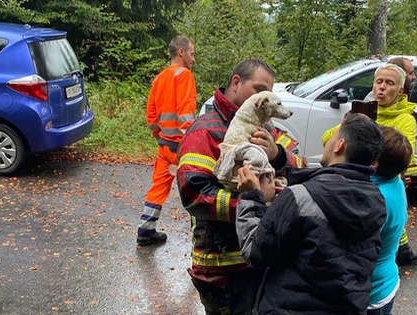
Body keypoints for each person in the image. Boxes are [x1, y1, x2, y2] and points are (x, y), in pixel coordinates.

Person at [176, 58, 307, 314]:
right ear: (236, 82)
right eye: (259, 89)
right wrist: (253, 200)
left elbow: (300, 167)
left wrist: (277, 154)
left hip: (263, 260)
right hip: (226, 268)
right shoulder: (204, 132)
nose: (264, 98)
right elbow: (194, 194)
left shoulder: (266, 127)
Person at [235, 113, 386, 314]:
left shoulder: (299, 198)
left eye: (332, 137)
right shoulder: (376, 199)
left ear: (339, 145)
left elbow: (255, 252)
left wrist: (251, 197)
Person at [322, 61, 417, 266]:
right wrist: (347, 124)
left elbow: (404, 149)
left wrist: (365, 136)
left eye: (389, 83)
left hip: (386, 177)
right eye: (379, 82)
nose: (382, 87)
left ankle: (395, 252)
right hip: (358, 177)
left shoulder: (405, 118)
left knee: (387, 219)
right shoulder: (363, 112)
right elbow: (327, 141)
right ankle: (399, 250)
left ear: (400, 90)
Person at [137, 36, 197, 246]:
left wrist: (160, 137)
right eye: (192, 53)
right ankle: (201, 235)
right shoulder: (184, 75)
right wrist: (192, 142)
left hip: (164, 146)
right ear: (181, 52)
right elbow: (185, 114)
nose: (193, 58)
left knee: (158, 187)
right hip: (182, 147)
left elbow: (151, 115)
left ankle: (145, 230)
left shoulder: (159, 78)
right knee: (196, 187)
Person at [368, 126, 413, 315]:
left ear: (375, 162)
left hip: (371, 291)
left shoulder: (377, 199)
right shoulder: (396, 182)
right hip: (387, 281)